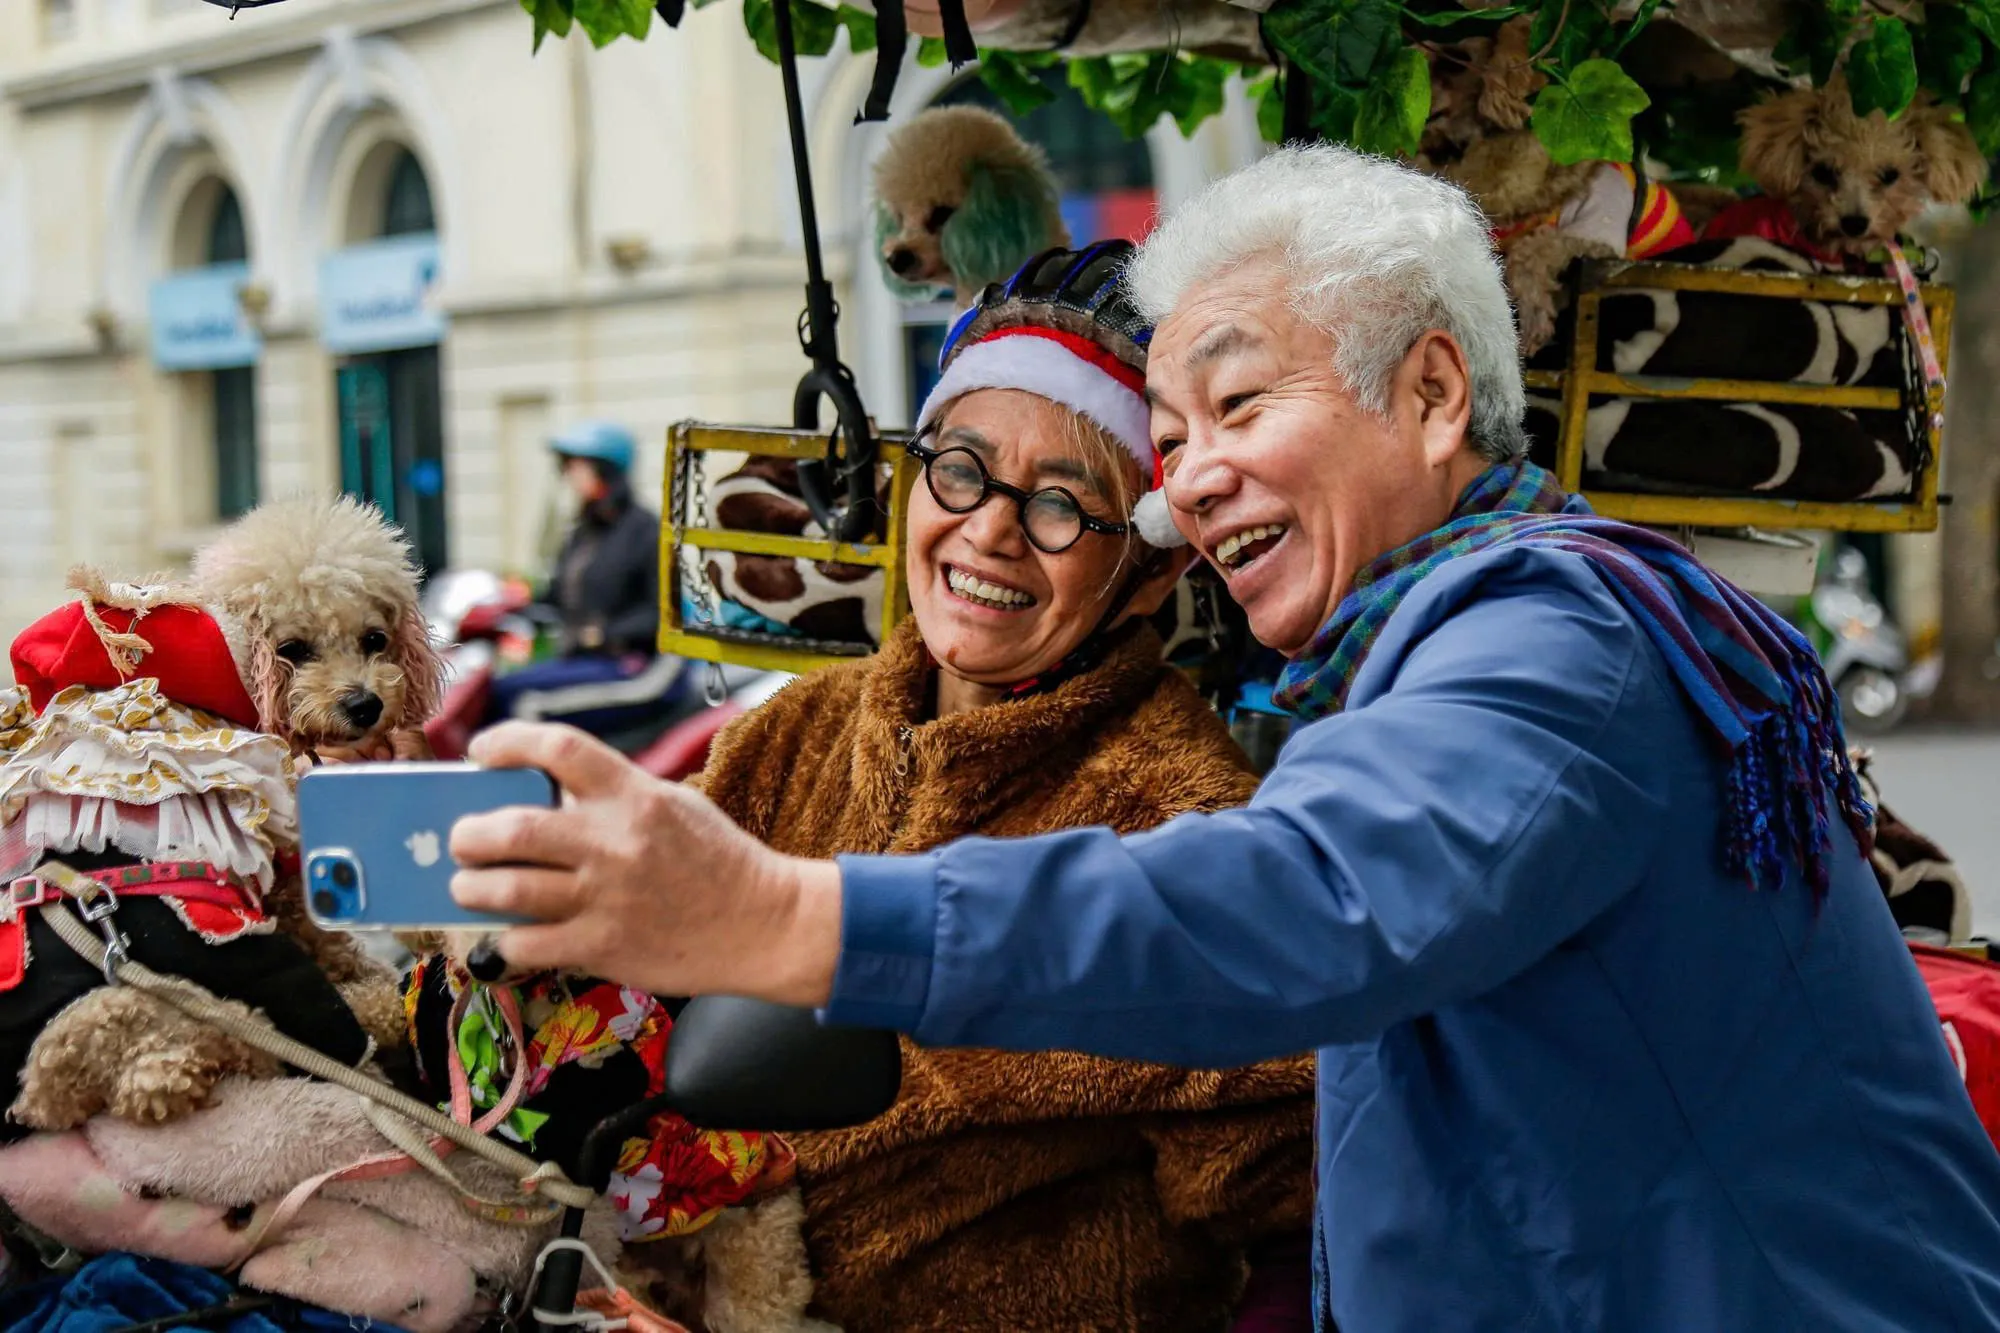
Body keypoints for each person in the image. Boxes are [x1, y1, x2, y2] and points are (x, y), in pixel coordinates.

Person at [450, 147, 2000, 1331]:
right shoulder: (1404, 664)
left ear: (1436, 392)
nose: (1187, 484)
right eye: (1173, 443)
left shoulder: (1552, 645)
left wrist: (786, 917)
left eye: (1238, 408)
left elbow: (1303, 902)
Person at [649, 243, 1314, 1331]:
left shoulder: (1182, 824)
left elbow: (1289, 1201)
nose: (990, 529)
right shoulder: (793, 734)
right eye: (960, 469)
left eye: (1061, 504)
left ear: (1147, 573)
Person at [482, 420, 688, 737]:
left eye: (578, 466)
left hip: (636, 668)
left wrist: (603, 633)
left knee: (525, 704)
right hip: (588, 662)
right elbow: (556, 598)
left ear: (606, 470)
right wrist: (505, 607)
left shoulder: (646, 531)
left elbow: (663, 614)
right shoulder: (583, 533)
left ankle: (546, 789)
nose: (570, 476)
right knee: (495, 689)